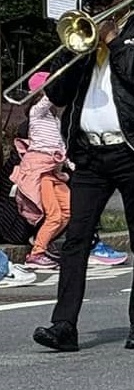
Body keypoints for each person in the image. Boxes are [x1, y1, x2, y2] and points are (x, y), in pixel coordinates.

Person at [33, 0, 134, 352]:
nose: (96, 8)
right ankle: (64, 325)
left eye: (104, 0)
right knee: (76, 239)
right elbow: (57, 95)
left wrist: (114, 43)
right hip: (90, 154)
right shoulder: (84, 40)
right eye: (91, 1)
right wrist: (76, 51)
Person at [11, 72, 69, 270]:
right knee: (54, 214)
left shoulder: (55, 118)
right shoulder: (37, 111)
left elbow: (60, 145)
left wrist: (69, 161)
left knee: (68, 211)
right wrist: (58, 82)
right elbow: (48, 99)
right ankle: (36, 254)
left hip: (53, 170)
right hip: (40, 171)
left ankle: (40, 240)